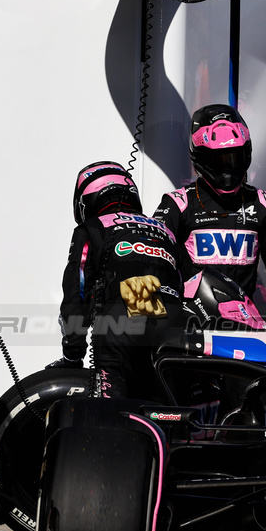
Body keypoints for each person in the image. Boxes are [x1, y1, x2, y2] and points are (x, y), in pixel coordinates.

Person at [154, 104, 266, 328]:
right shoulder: (178, 204)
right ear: (199, 158)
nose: (227, 169)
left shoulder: (262, 203)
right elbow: (156, 263)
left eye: (233, 158)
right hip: (190, 324)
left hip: (244, 323)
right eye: (218, 160)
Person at [52, 161, 186, 400]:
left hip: (122, 318)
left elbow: (76, 291)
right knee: (167, 418)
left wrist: (73, 354)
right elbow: (182, 283)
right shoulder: (165, 231)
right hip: (172, 322)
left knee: (113, 415)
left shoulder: (92, 227)